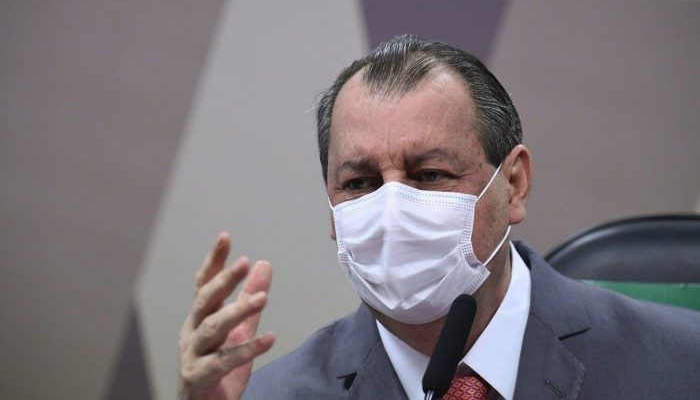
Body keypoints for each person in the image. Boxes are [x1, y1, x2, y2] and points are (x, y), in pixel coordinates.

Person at [178, 35, 700, 399]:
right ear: (332, 211)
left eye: (429, 174)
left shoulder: (681, 364)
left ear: (514, 184)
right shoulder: (269, 395)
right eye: (359, 183)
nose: (393, 211)